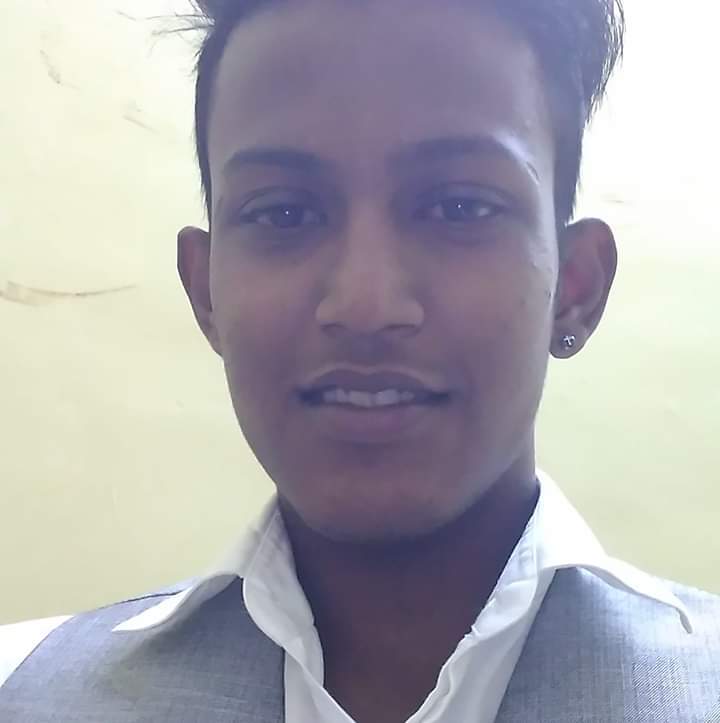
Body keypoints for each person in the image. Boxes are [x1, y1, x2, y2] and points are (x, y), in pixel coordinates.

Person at [1, 0, 719, 721]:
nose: (365, 304)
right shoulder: (22, 688)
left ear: (576, 286)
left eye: (458, 207)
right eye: (284, 213)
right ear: (206, 289)